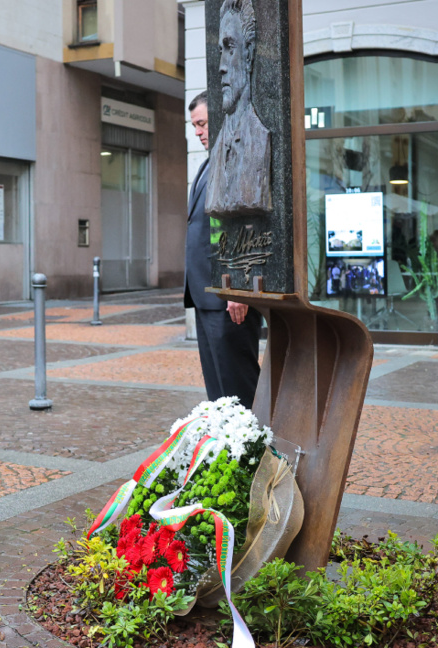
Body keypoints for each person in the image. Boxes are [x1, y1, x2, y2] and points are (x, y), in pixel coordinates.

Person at [185, 91, 263, 409]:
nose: (199, 132)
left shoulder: (236, 159)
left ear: (218, 118)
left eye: (202, 123)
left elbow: (247, 223)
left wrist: (239, 288)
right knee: (218, 390)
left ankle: (254, 452)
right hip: (206, 294)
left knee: (237, 385)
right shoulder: (208, 163)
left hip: (229, 297)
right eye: (195, 127)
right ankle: (229, 450)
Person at [205, 0, 272, 218]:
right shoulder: (216, 151)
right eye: (220, 50)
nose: (221, 66)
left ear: (249, 54)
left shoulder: (260, 140)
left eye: (230, 48)